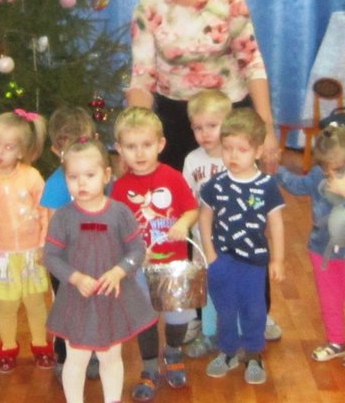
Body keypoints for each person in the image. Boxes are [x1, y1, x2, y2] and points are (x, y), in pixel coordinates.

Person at [125, 0, 279, 173]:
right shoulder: (148, 8)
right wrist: (135, 135)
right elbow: (142, 78)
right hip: (177, 116)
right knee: (176, 189)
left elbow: (251, 61)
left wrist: (267, 128)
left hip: (230, 112)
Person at [45, 138, 158, 403]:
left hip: (112, 298)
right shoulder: (63, 217)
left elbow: (137, 250)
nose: (81, 183)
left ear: (106, 175)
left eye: (90, 175)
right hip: (77, 298)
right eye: (73, 177)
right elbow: (50, 256)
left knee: (111, 356)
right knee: (76, 358)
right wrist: (75, 277)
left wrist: (119, 271)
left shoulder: (120, 213)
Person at [182, 90, 283, 359]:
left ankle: (248, 329)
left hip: (240, 244)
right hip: (203, 241)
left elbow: (267, 213)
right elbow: (188, 199)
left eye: (212, 126)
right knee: (210, 290)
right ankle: (209, 332)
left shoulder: (238, 161)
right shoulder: (192, 160)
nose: (205, 133)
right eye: (198, 128)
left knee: (245, 288)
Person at [109, 106, 198, 402]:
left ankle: (173, 351)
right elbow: (115, 229)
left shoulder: (172, 177)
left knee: (177, 317)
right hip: (139, 269)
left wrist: (183, 223)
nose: (140, 153)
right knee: (145, 320)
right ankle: (149, 367)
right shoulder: (120, 188)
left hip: (173, 266)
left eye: (146, 145)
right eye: (131, 146)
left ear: (160, 144)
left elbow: (192, 209)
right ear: (119, 149)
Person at [275, 124, 345, 368]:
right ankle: (336, 342)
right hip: (321, 251)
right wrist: (277, 171)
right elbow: (298, 186)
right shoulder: (318, 175)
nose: (331, 175)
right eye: (326, 168)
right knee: (329, 300)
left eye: (338, 169)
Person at [198, 108, 285, 385]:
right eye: (227, 148)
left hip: (254, 263)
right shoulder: (216, 185)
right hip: (222, 260)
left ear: (258, 151)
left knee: (254, 311)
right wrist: (210, 254)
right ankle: (227, 352)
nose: (233, 156)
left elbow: (276, 224)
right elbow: (204, 217)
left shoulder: (266, 186)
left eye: (242, 150)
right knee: (225, 310)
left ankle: (253, 354)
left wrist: (278, 260)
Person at [0, 108, 54, 372]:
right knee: (7, 305)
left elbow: (45, 212)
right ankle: (7, 348)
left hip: (31, 253)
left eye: (8, 147)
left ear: (20, 152)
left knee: (35, 303)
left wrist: (44, 244)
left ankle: (41, 345)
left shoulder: (31, 176)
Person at [40, 106, 101, 382]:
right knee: (67, 309)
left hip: (99, 257)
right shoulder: (56, 184)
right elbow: (55, 230)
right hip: (67, 263)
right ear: (56, 150)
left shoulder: (102, 179)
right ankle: (65, 354)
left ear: (96, 141)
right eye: (68, 150)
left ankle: (95, 352)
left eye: (83, 145)